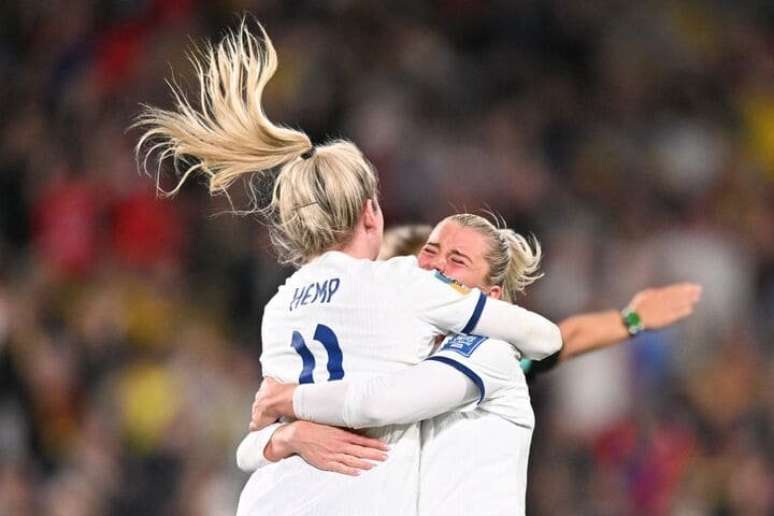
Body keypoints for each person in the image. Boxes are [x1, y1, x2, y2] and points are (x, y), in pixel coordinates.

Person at [135, 21, 561, 516]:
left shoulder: (278, 309)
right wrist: (293, 416)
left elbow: (254, 437)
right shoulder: (405, 284)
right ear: (372, 213)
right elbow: (545, 339)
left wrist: (290, 420)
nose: (436, 264)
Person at [245, 216, 702, 514]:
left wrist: (632, 319)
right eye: (431, 251)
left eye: (457, 261)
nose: (436, 266)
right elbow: (249, 449)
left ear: (492, 298)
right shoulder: (409, 357)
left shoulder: (485, 354)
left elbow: (380, 402)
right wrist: (287, 435)